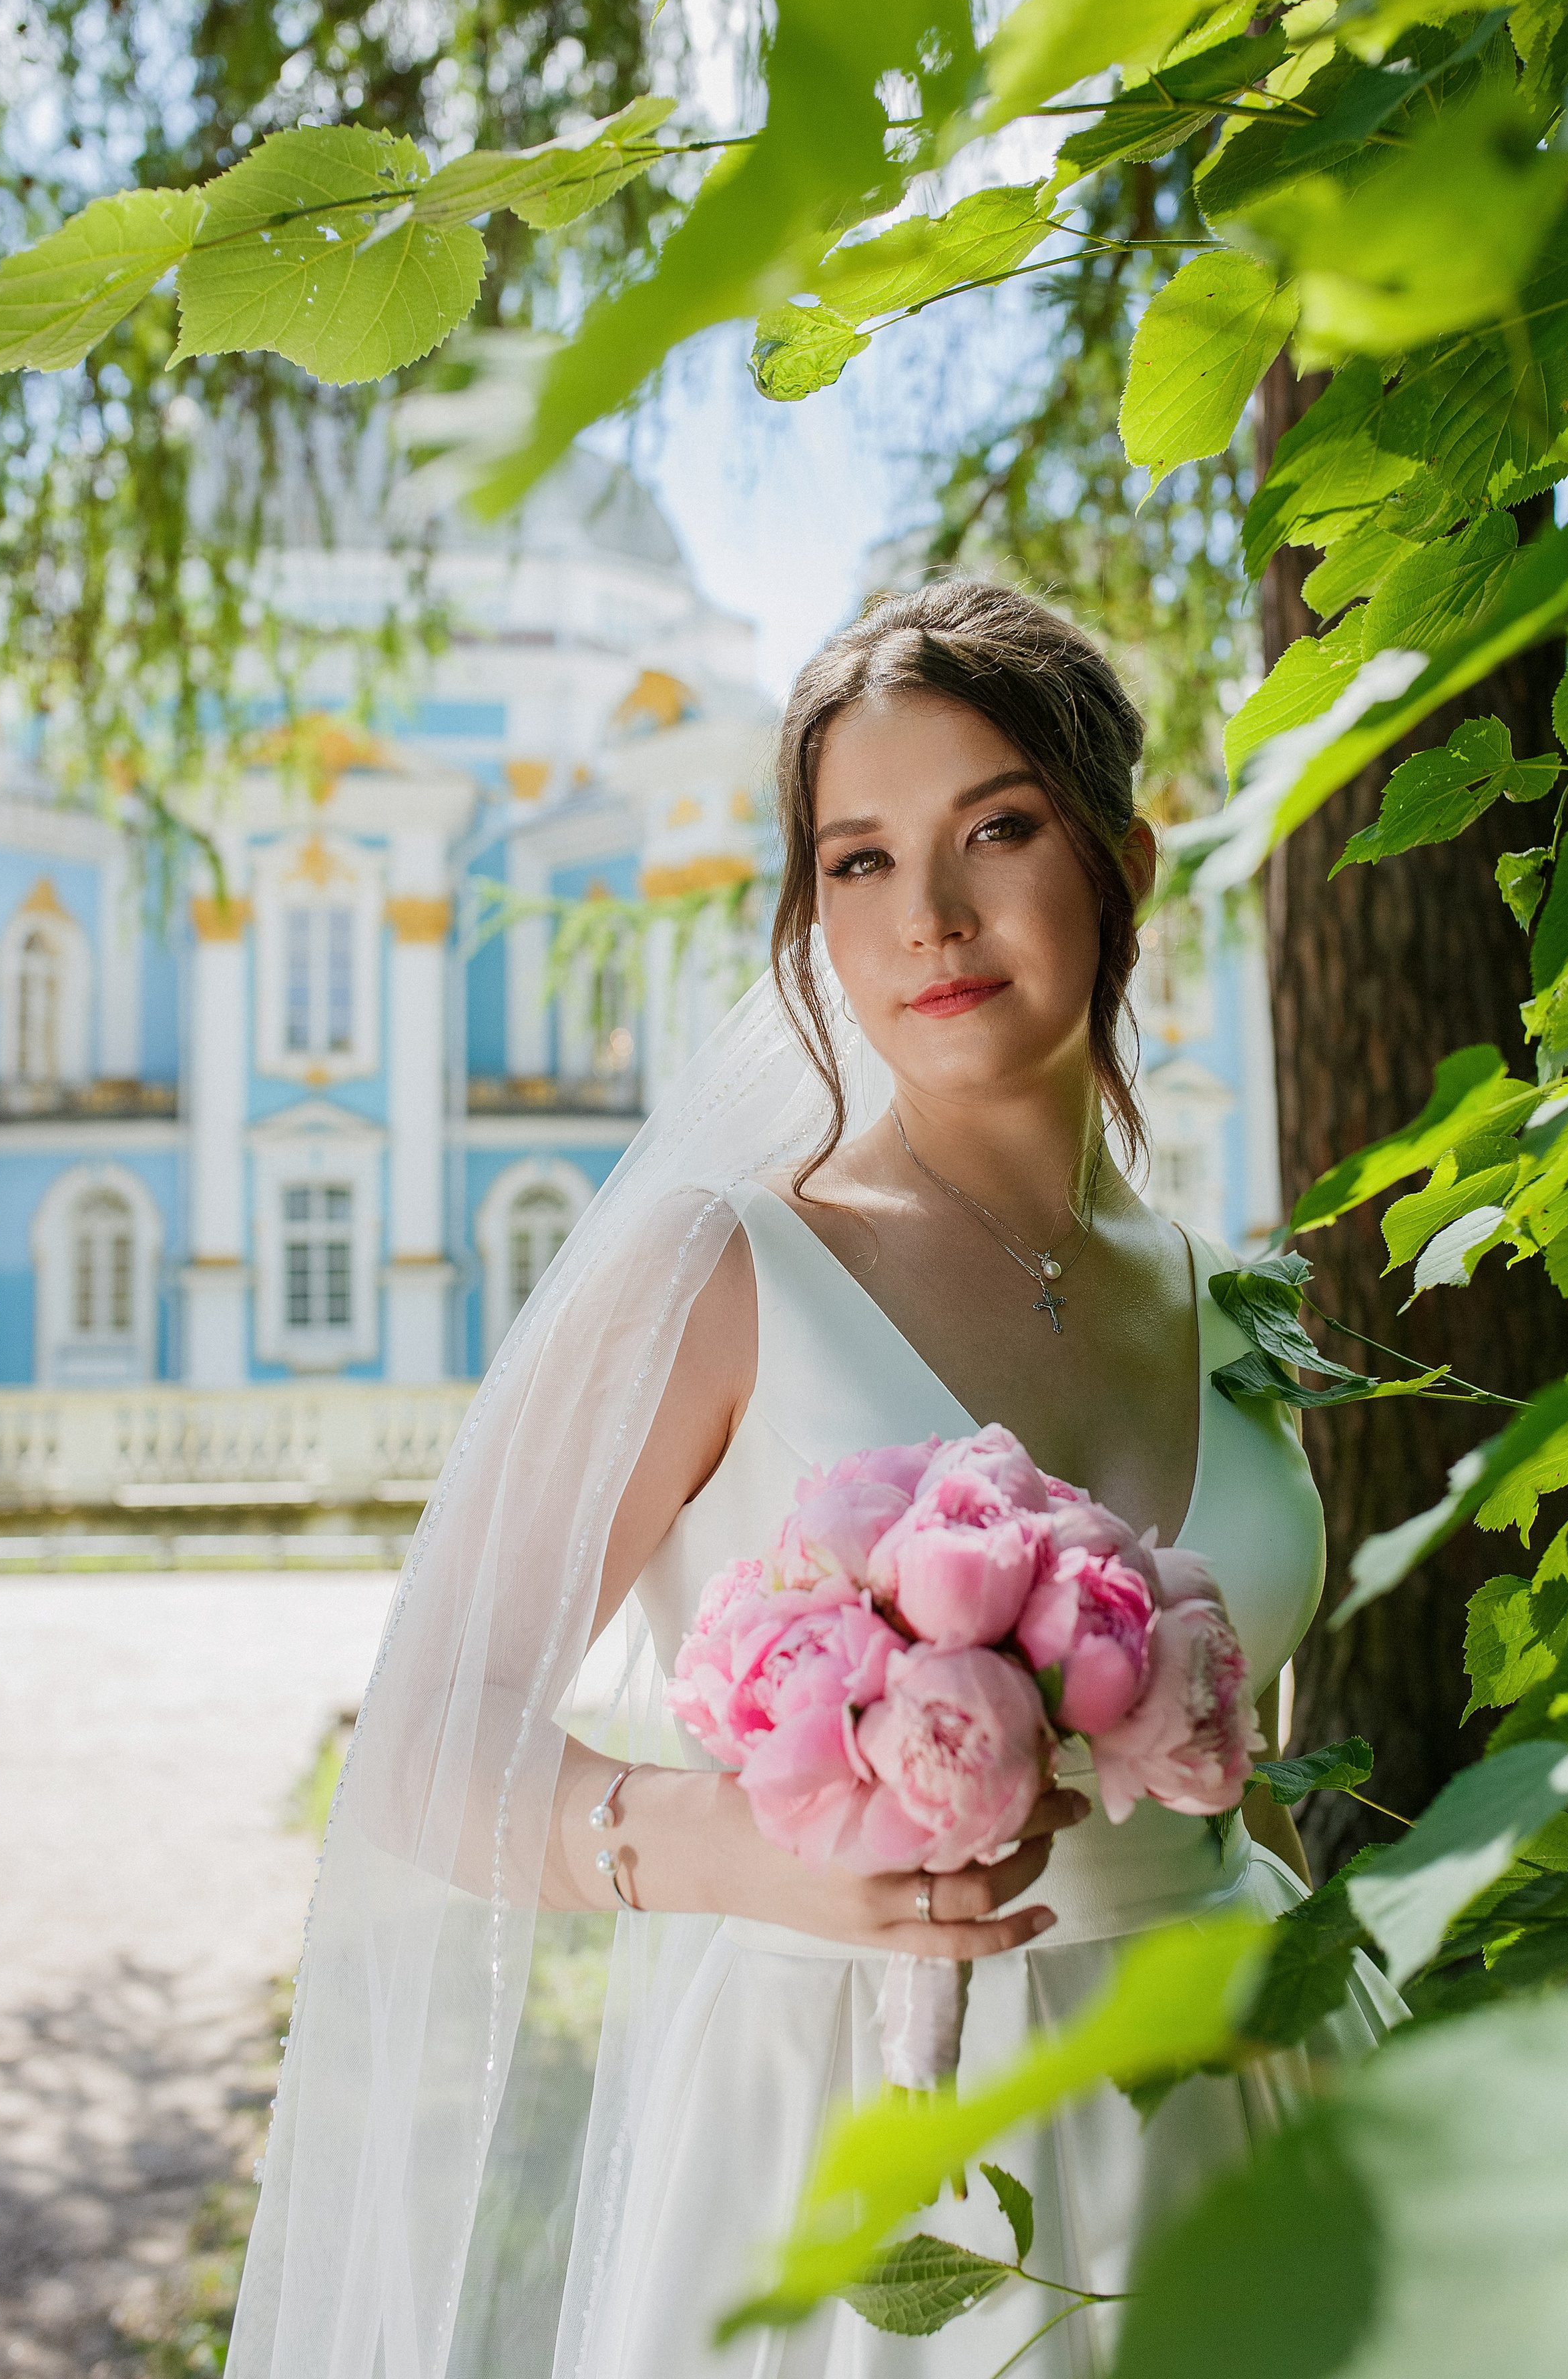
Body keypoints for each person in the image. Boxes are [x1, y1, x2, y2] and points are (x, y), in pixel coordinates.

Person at [230, 582, 1402, 2379]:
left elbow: (1233, 1789)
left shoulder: (1234, 1312)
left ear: (1121, 863)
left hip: (1242, 2109)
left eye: (995, 830)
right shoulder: (722, 1275)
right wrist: (708, 1844)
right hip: (856, 2158)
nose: (927, 914)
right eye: (858, 861)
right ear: (808, 917)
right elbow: (425, 1739)